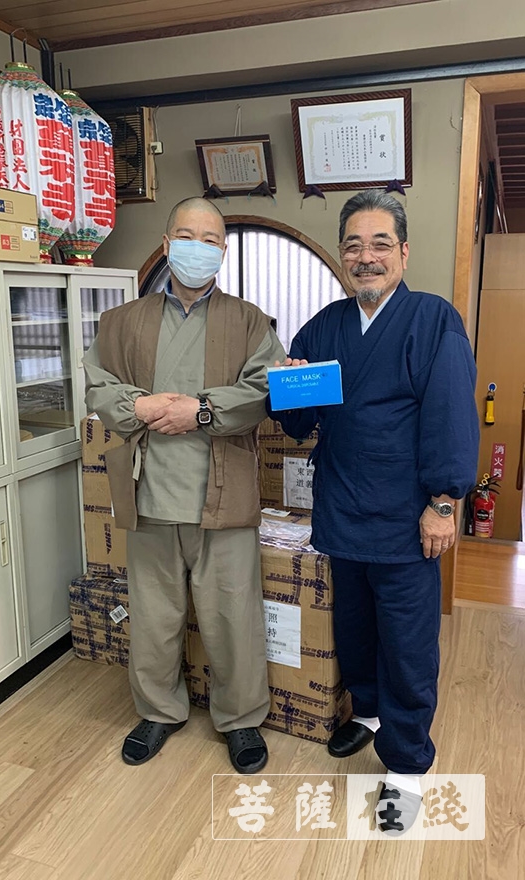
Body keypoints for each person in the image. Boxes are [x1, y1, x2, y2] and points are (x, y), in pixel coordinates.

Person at [271, 191, 479, 836]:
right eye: (354, 246)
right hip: (341, 506)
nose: (366, 257)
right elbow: (298, 424)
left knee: (408, 643)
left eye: (380, 244)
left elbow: (450, 415)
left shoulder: (433, 319)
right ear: (343, 255)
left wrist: (442, 503)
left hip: (406, 516)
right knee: (355, 627)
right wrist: (286, 382)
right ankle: (366, 711)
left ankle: (407, 764)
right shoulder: (324, 326)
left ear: (404, 253)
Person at [84, 197, 285, 774]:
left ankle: (241, 719)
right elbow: (98, 384)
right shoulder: (122, 321)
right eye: (186, 236)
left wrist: (199, 410)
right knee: (153, 613)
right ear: (168, 244)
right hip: (149, 490)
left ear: (223, 252)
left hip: (223, 493)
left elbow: (264, 389)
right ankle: (158, 710)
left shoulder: (249, 322)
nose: (198, 247)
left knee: (232, 614)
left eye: (210, 239)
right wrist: (140, 405)